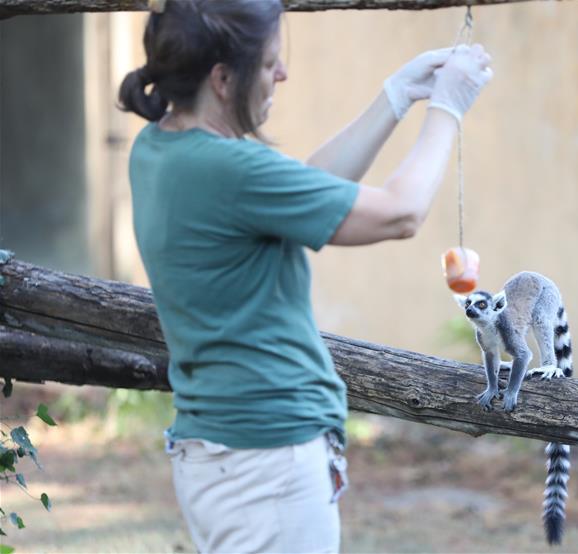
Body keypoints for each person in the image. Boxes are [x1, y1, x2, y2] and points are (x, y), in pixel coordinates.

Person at [117, 0, 493, 552]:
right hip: (266, 463)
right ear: (222, 79)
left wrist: (394, 98)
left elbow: (299, 192)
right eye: (271, 63)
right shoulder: (230, 170)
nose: (283, 74)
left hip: (222, 452)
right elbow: (399, 212)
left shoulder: (161, 148)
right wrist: (447, 109)